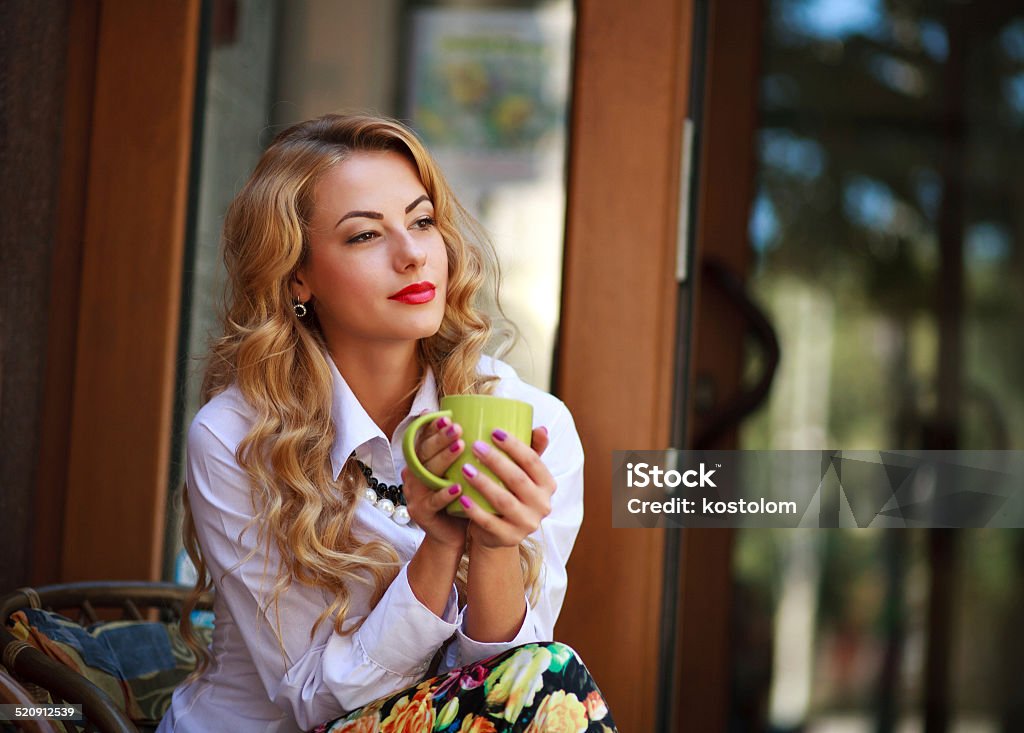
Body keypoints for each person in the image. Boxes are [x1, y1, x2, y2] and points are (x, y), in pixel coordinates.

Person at [157, 114, 618, 733]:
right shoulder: (237, 436)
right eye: (365, 236)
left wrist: (494, 542)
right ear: (298, 276)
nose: (412, 255)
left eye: (422, 221)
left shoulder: (532, 422)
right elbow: (316, 701)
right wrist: (439, 543)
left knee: (547, 678)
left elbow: (507, 689)